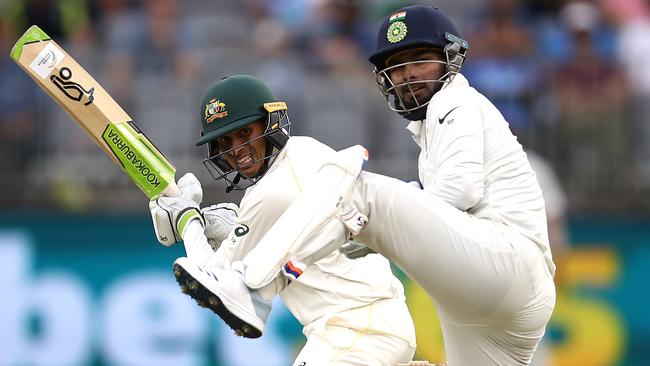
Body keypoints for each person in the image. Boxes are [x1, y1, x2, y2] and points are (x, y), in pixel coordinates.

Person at [148, 75, 417, 366]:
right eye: (225, 140)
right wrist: (232, 230)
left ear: (269, 124)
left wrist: (187, 219)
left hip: (357, 331)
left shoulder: (269, 193)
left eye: (244, 133)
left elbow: (211, 278)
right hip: (371, 326)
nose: (236, 149)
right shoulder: (306, 149)